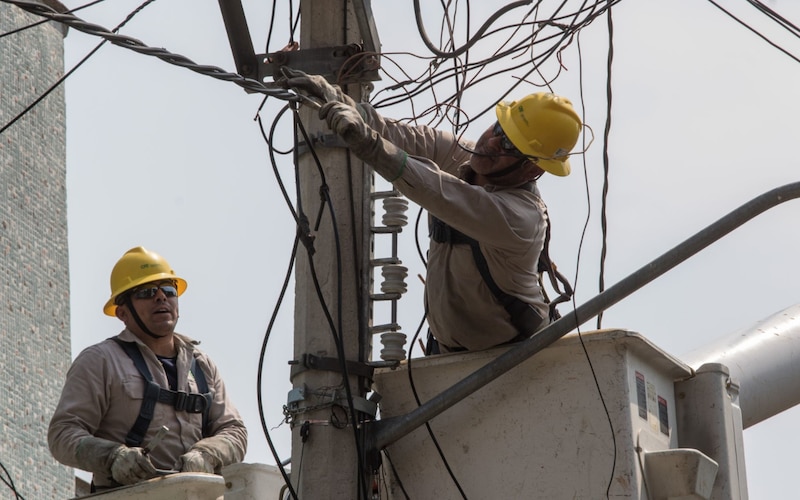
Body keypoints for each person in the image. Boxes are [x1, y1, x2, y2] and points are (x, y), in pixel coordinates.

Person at [281, 69, 582, 353]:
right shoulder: (464, 155)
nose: (491, 143)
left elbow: (436, 189)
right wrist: (336, 98)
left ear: (531, 170)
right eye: (499, 128)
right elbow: (396, 135)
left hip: (517, 360)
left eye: (509, 146)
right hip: (448, 357)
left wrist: (370, 145)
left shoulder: (521, 218)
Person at [48, 247, 247, 491]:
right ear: (123, 313)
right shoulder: (101, 361)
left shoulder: (202, 366)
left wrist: (206, 454)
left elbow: (234, 430)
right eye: (147, 292)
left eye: (169, 290)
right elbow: (62, 434)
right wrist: (113, 457)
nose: (161, 298)